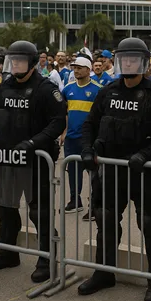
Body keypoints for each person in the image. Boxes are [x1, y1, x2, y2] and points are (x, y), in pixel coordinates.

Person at [78, 37, 151, 301]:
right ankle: (104, 273)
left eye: (135, 59)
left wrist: (146, 154)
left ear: (145, 62)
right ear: (120, 61)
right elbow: (90, 124)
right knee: (106, 220)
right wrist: (87, 150)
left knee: (149, 224)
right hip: (112, 170)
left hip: (144, 170)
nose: (130, 63)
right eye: (126, 59)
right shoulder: (108, 91)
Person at [0, 40, 66, 283]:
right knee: (5, 208)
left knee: (39, 211)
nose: (16, 65)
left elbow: (57, 122)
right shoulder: (5, 87)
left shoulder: (46, 89)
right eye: (13, 60)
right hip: (7, 159)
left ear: (32, 63)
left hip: (36, 159)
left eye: (20, 60)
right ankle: (8, 253)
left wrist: (32, 143)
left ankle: (47, 260)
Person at [60, 57, 101, 215]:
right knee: (72, 170)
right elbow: (64, 112)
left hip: (89, 139)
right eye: (74, 68)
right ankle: (74, 200)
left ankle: (95, 204)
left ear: (88, 69)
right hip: (71, 138)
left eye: (79, 68)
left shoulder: (98, 89)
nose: (76, 70)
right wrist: (64, 132)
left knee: (93, 172)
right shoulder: (68, 89)